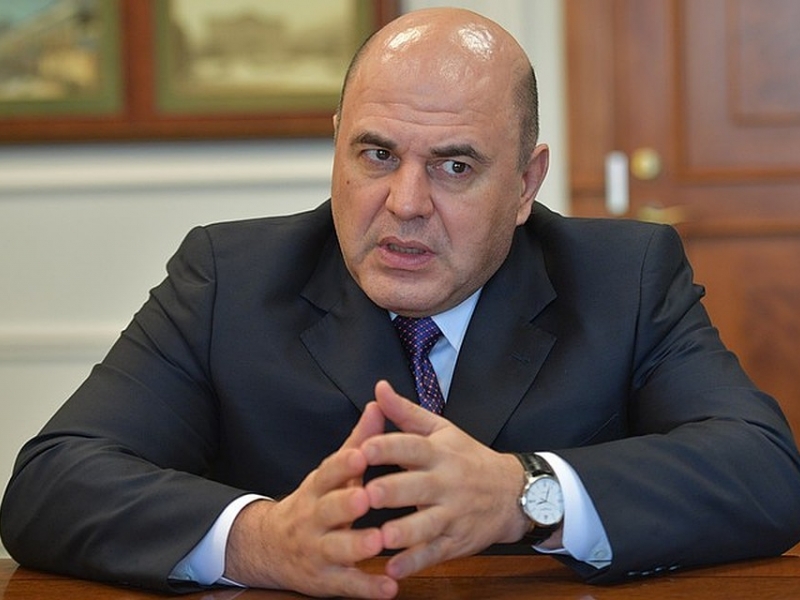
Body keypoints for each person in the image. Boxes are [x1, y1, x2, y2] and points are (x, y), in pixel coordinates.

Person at [2, 7, 800, 599]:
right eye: (378, 154)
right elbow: (52, 484)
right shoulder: (228, 280)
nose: (406, 203)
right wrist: (261, 539)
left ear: (526, 183)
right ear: (337, 147)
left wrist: (524, 495)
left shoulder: (623, 277)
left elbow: (764, 471)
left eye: (455, 166)